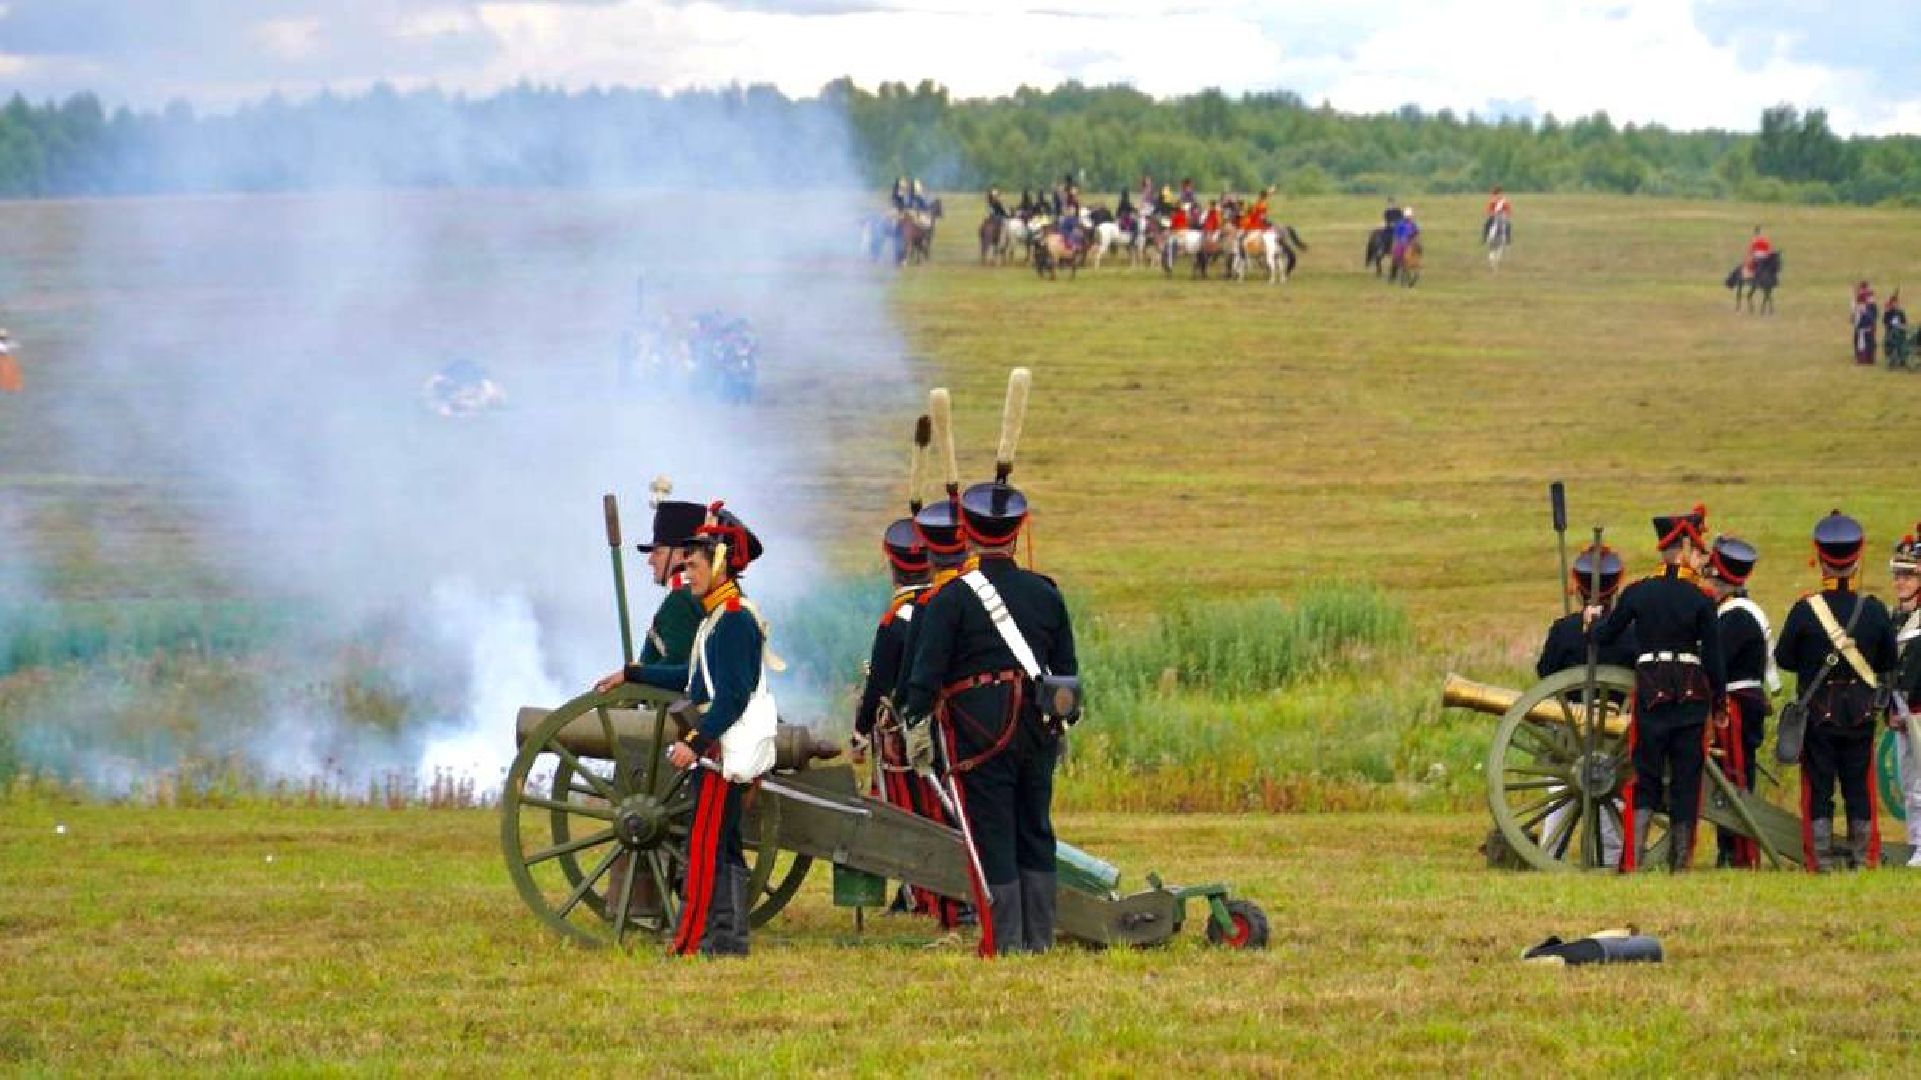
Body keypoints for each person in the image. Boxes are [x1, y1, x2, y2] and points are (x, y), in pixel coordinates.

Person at [594, 503, 770, 955]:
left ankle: (695, 941)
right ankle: (726, 940)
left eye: (693, 566)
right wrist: (633, 673)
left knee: (705, 847)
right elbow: (690, 680)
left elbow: (730, 698)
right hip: (716, 748)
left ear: (717, 564)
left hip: (719, 750)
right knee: (721, 845)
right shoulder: (718, 616)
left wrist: (694, 743)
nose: (686, 575)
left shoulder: (733, 619)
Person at [1587, 505, 1725, 872]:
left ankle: (1632, 860)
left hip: (1651, 694)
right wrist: (1720, 703)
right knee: (1686, 782)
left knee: (1645, 778)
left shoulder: (1638, 592)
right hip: (1691, 698)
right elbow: (1714, 659)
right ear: (1685, 548)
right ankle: (1679, 864)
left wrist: (1591, 622)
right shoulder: (1701, 598)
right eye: (1696, 550)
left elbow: (1606, 635)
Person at [1774, 511, 1897, 870]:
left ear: (1821, 559)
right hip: (1860, 712)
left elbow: (1784, 659)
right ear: (1856, 559)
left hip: (1818, 711)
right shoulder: (1873, 611)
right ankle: (1862, 858)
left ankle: (1821, 860)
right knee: (1859, 788)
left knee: (1819, 789)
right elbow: (1888, 661)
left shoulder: (1804, 610)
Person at [1702, 535, 1776, 868]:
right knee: (1728, 775)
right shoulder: (1736, 613)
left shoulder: (1736, 617)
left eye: (1710, 580)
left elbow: (1716, 664)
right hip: (1737, 702)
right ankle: (1729, 848)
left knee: (1734, 777)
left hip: (1737, 706)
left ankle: (1737, 851)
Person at [1537, 544, 1638, 677]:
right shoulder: (1635, 631)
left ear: (1579, 589)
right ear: (1615, 589)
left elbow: (1545, 672)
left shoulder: (1562, 630)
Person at [635, 496, 710, 666]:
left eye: (658, 552)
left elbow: (679, 667)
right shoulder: (701, 593)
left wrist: (632, 674)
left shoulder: (681, 599)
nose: (650, 560)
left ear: (683, 554)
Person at [1884, 531, 1921, 865]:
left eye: (1908, 575)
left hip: (1919, 708)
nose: (1900, 581)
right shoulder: (1893, 617)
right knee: (1908, 781)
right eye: (1897, 574)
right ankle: (1915, 843)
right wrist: (1890, 710)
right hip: (1900, 707)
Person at [1852, 281, 1879, 366]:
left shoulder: (1870, 305)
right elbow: (1854, 317)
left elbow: (1873, 315)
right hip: (1861, 327)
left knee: (1869, 343)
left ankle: (1869, 358)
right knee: (1860, 343)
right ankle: (1861, 357)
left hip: (1868, 327)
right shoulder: (1860, 304)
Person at [1885, 291, 1910, 368]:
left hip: (1900, 332)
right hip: (1891, 333)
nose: (1895, 305)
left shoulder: (1900, 312)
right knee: (1891, 344)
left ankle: (1902, 359)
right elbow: (1885, 321)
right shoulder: (1888, 312)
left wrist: (1901, 326)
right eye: (1893, 303)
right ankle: (1892, 359)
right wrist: (1891, 324)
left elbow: (1904, 322)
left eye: (1896, 303)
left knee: (1902, 345)